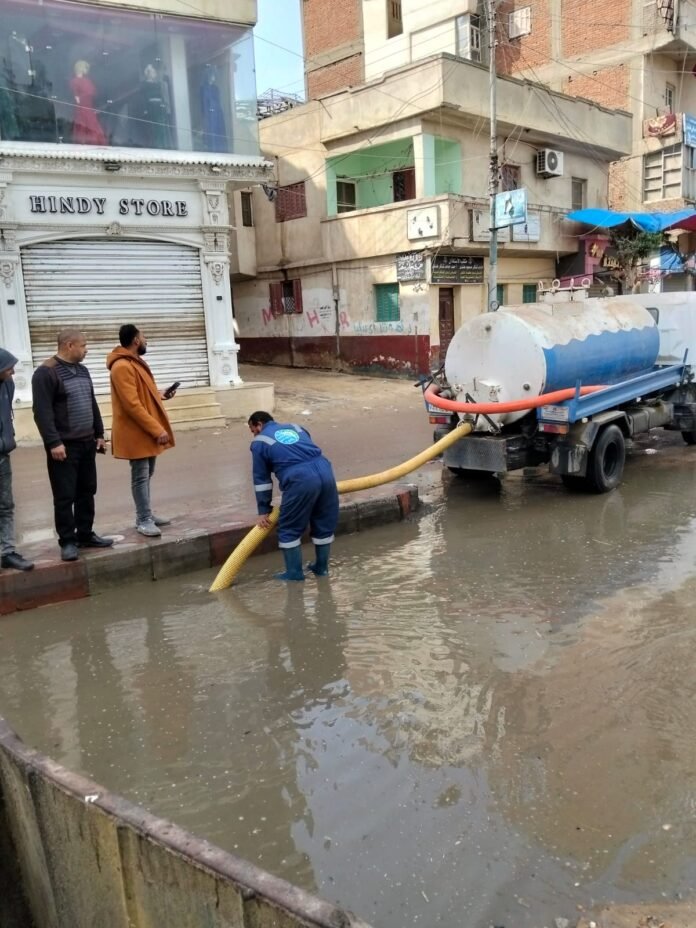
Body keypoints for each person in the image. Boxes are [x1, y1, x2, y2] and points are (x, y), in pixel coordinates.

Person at [32, 330, 113, 562]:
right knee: (65, 495)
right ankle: (67, 541)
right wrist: (53, 442)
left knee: (87, 490)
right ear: (69, 345)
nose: (86, 349)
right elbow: (42, 412)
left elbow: (91, 402)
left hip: (87, 442)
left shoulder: (82, 371)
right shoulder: (46, 373)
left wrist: (99, 433)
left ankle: (85, 534)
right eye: (83, 345)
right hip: (64, 447)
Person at [248, 411, 339, 581]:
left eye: (253, 430)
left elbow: (262, 481)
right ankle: (321, 569)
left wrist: (264, 510)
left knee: (288, 528)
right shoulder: (297, 428)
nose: (254, 434)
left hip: (300, 479)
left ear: (258, 424)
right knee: (323, 522)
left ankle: (294, 574)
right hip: (326, 471)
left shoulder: (260, 442)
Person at [106, 325, 175, 537]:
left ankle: (147, 514)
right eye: (144, 336)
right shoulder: (121, 366)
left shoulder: (134, 362)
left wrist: (160, 394)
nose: (146, 340)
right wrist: (157, 429)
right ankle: (143, 519)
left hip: (145, 430)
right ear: (136, 340)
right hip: (136, 431)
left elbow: (141, 392)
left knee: (147, 474)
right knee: (140, 476)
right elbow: (131, 404)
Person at [0, 348, 34, 571]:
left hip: (3, 456)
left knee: (6, 505)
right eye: (8, 368)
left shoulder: (7, 385)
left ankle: (8, 552)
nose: (13, 372)